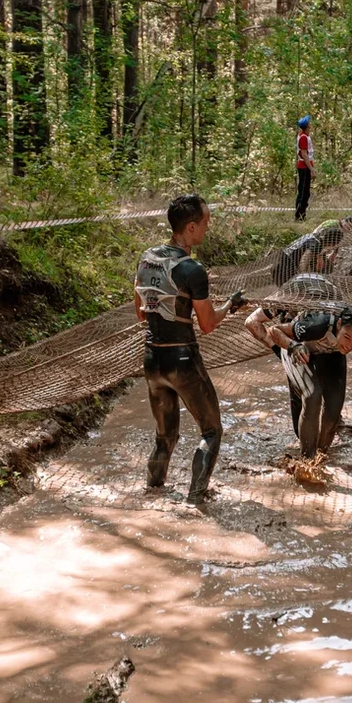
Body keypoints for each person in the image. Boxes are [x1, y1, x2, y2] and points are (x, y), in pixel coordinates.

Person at [134, 194, 246, 504]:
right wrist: (230, 306)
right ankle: (196, 501)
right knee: (211, 431)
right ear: (191, 227)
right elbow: (208, 324)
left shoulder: (146, 258)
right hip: (183, 361)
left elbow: (141, 312)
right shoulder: (192, 270)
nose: (207, 230)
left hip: (152, 360)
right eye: (206, 224)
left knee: (164, 436)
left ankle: (153, 492)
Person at [255, 305, 352, 458]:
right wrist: (293, 347)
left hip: (330, 351)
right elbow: (274, 330)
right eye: (347, 337)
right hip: (298, 347)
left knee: (334, 408)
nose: (350, 346)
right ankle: (307, 460)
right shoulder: (317, 324)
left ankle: (320, 458)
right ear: (339, 324)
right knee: (312, 395)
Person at [245, 273, 342, 440]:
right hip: (299, 344)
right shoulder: (285, 299)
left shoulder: (333, 306)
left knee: (321, 401)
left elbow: (251, 322)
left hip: (319, 346)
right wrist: (282, 348)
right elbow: (252, 322)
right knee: (313, 399)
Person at [272, 224, 346, 286]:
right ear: (333, 243)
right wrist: (303, 276)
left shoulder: (313, 236)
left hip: (281, 261)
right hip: (286, 268)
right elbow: (305, 258)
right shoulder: (316, 245)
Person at [295, 115, 315, 221]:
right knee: (303, 193)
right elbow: (304, 154)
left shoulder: (305, 136)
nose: (310, 126)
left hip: (305, 166)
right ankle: (299, 216)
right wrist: (311, 169)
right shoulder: (303, 137)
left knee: (305, 192)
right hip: (304, 167)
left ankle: (302, 215)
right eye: (309, 124)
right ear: (306, 126)